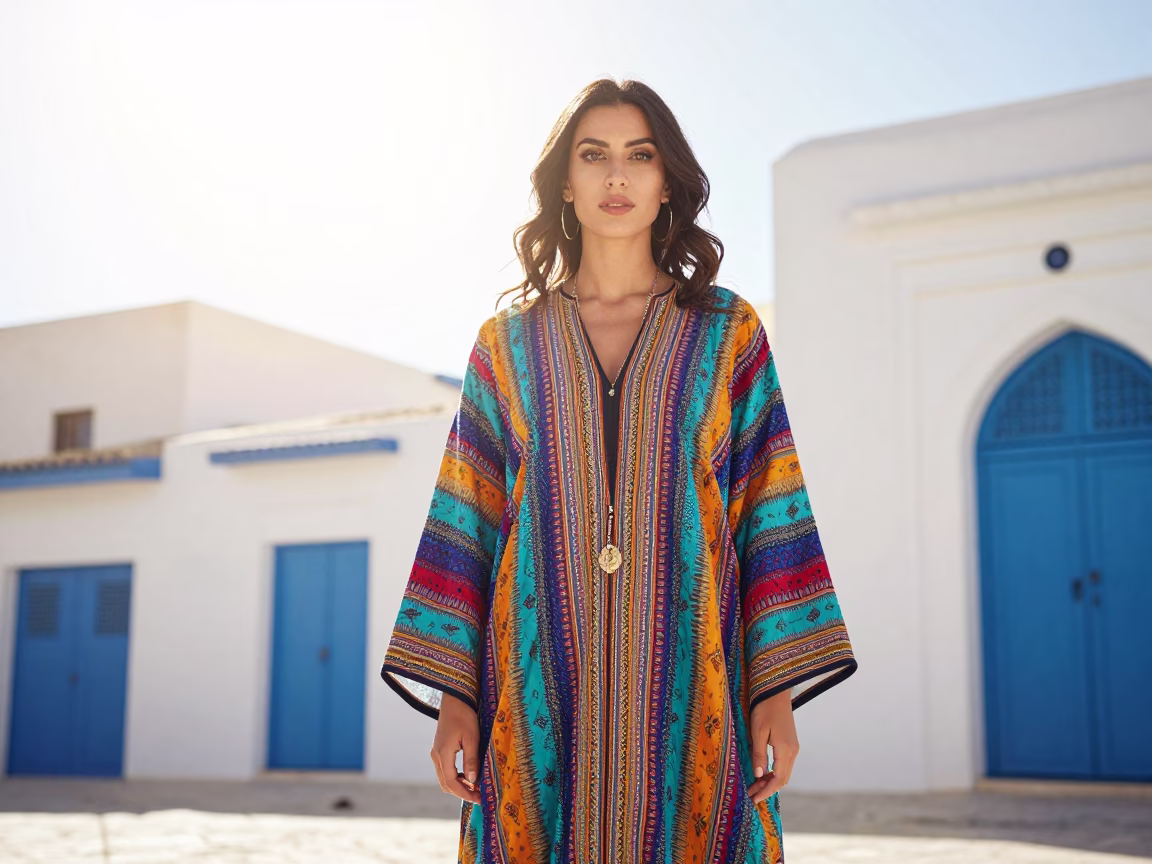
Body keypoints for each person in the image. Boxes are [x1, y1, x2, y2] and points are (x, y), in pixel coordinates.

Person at [381, 77, 857, 864]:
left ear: (666, 179)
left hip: (694, 678)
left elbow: (770, 511)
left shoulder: (726, 332)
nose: (616, 177)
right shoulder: (507, 346)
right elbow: (465, 525)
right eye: (593, 155)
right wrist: (456, 699)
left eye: (639, 156)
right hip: (532, 684)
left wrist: (773, 688)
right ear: (563, 182)